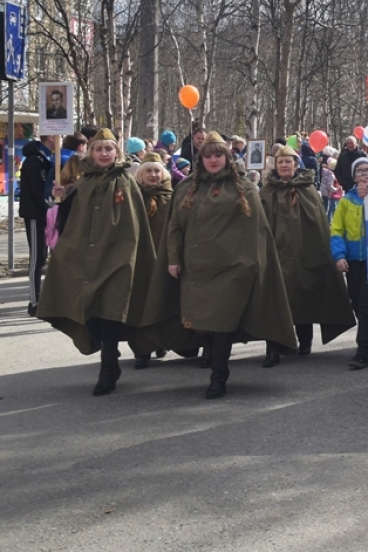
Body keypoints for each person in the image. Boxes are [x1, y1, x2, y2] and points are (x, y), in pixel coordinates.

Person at [147, 132, 298, 399]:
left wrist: (251, 263)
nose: (213, 160)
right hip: (196, 268)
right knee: (199, 322)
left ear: (227, 157)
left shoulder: (244, 187)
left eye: (218, 155)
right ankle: (212, 359)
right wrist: (173, 258)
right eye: (208, 156)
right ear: (201, 159)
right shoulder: (186, 187)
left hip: (233, 269)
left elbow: (256, 231)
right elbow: (175, 226)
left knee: (222, 324)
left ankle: (219, 375)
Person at [36, 129, 158, 396]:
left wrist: (129, 254)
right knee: (91, 311)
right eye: (98, 149)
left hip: (117, 258)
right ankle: (110, 358)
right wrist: (63, 195)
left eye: (108, 149)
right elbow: (70, 220)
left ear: (117, 153)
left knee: (111, 311)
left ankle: (108, 367)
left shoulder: (125, 181)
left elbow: (134, 224)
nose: (104, 154)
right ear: (90, 153)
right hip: (87, 257)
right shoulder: (85, 181)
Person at [259, 145, 355, 367]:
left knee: (304, 295)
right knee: (274, 302)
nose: (284, 165)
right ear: (276, 165)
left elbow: (318, 225)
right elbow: (260, 225)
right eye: (280, 161)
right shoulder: (267, 192)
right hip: (275, 256)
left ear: (295, 164)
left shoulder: (307, 190)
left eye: (288, 161)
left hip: (304, 254)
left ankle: (305, 341)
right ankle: (272, 349)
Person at [331, 157, 368, 369]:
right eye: (359, 171)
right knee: (357, 304)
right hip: (353, 261)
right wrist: (339, 256)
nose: (364, 174)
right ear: (353, 176)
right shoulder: (345, 201)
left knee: (367, 305)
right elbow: (336, 230)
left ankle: (364, 351)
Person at [131, 154, 174, 369]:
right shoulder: (132, 197)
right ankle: (142, 349)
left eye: (157, 171)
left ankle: (161, 342)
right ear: (141, 174)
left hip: (164, 258)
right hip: (140, 260)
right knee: (140, 303)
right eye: (148, 171)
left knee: (163, 301)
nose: (153, 175)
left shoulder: (172, 197)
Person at [19, 135, 55, 316]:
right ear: (50, 138)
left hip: (44, 213)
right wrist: (49, 206)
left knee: (44, 255)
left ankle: (45, 299)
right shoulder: (35, 160)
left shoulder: (45, 158)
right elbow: (37, 190)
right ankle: (34, 301)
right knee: (37, 257)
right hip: (35, 214)